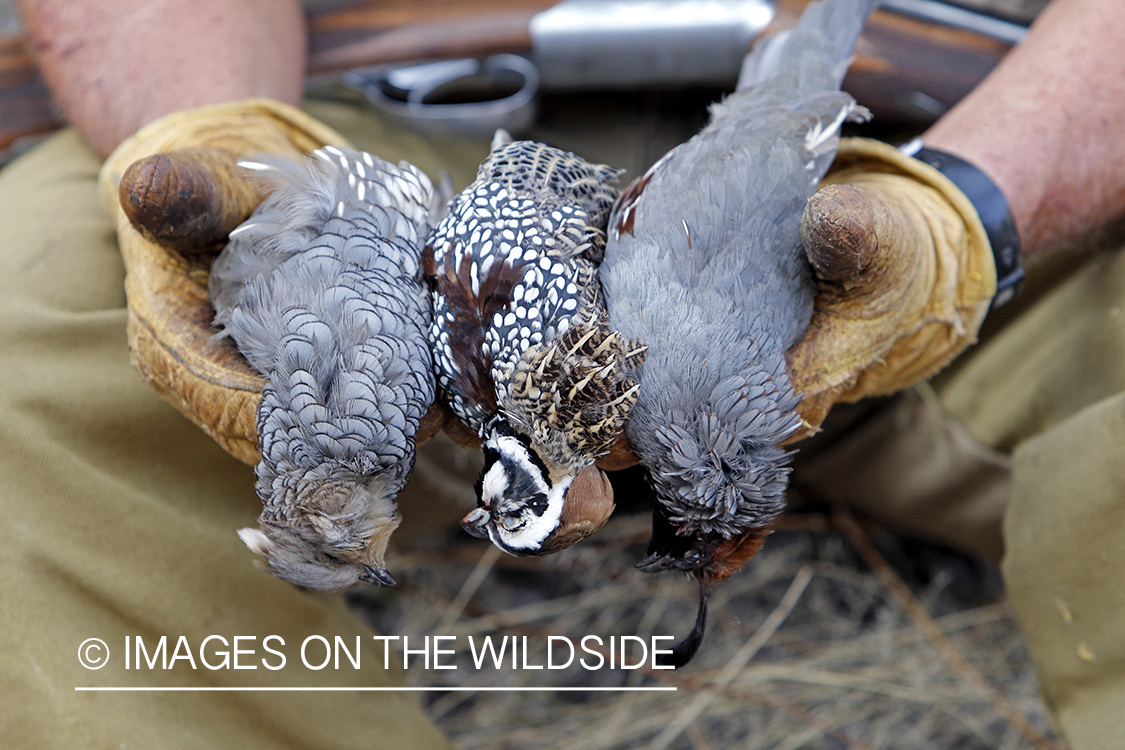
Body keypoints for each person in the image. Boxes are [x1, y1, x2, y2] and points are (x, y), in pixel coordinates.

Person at [2, 0, 1122, 748]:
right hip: (381, 116)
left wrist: (967, 218)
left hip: (963, 125)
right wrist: (214, 136)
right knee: (28, 351)